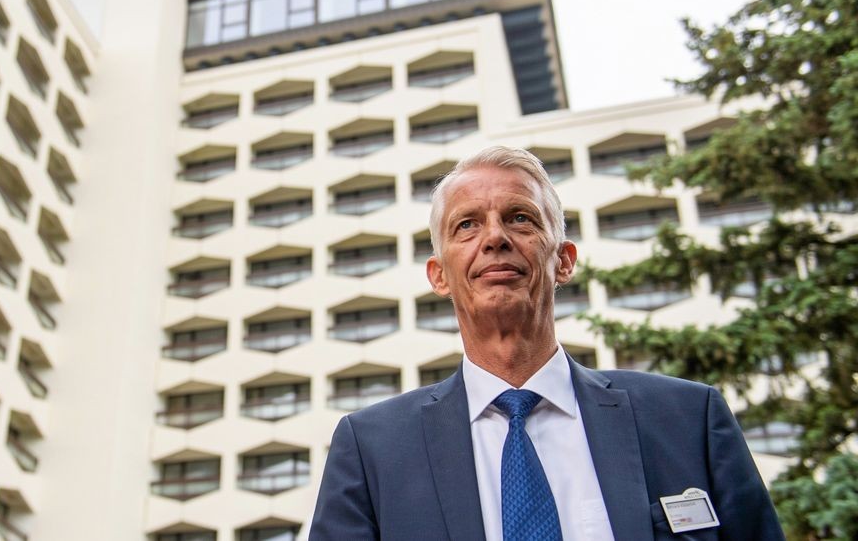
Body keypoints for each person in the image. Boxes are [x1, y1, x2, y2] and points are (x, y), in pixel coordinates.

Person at [308, 146, 783, 540]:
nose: (494, 237)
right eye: (467, 225)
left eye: (520, 218)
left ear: (564, 261)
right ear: (439, 275)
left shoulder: (688, 420)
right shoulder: (371, 450)